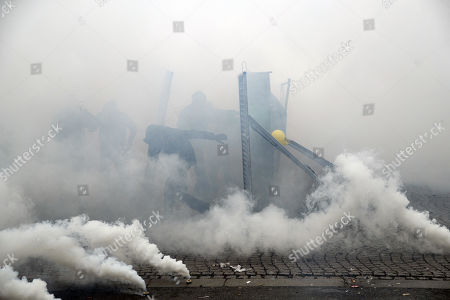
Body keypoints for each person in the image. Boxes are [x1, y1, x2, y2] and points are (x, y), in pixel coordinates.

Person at [143, 124, 226, 213]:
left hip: (186, 160)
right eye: (151, 141)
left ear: (160, 135)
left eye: (154, 140)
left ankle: (205, 209)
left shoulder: (174, 135)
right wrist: (146, 180)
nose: (153, 143)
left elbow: (194, 133)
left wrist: (213, 136)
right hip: (176, 164)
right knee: (175, 190)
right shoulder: (154, 142)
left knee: (174, 188)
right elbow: (152, 158)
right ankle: (202, 208)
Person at [97, 101, 136, 171]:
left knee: (119, 169)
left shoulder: (120, 116)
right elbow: (92, 127)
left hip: (117, 147)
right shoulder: (103, 115)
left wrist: (129, 142)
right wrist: (129, 142)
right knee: (112, 170)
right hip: (108, 148)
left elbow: (133, 127)